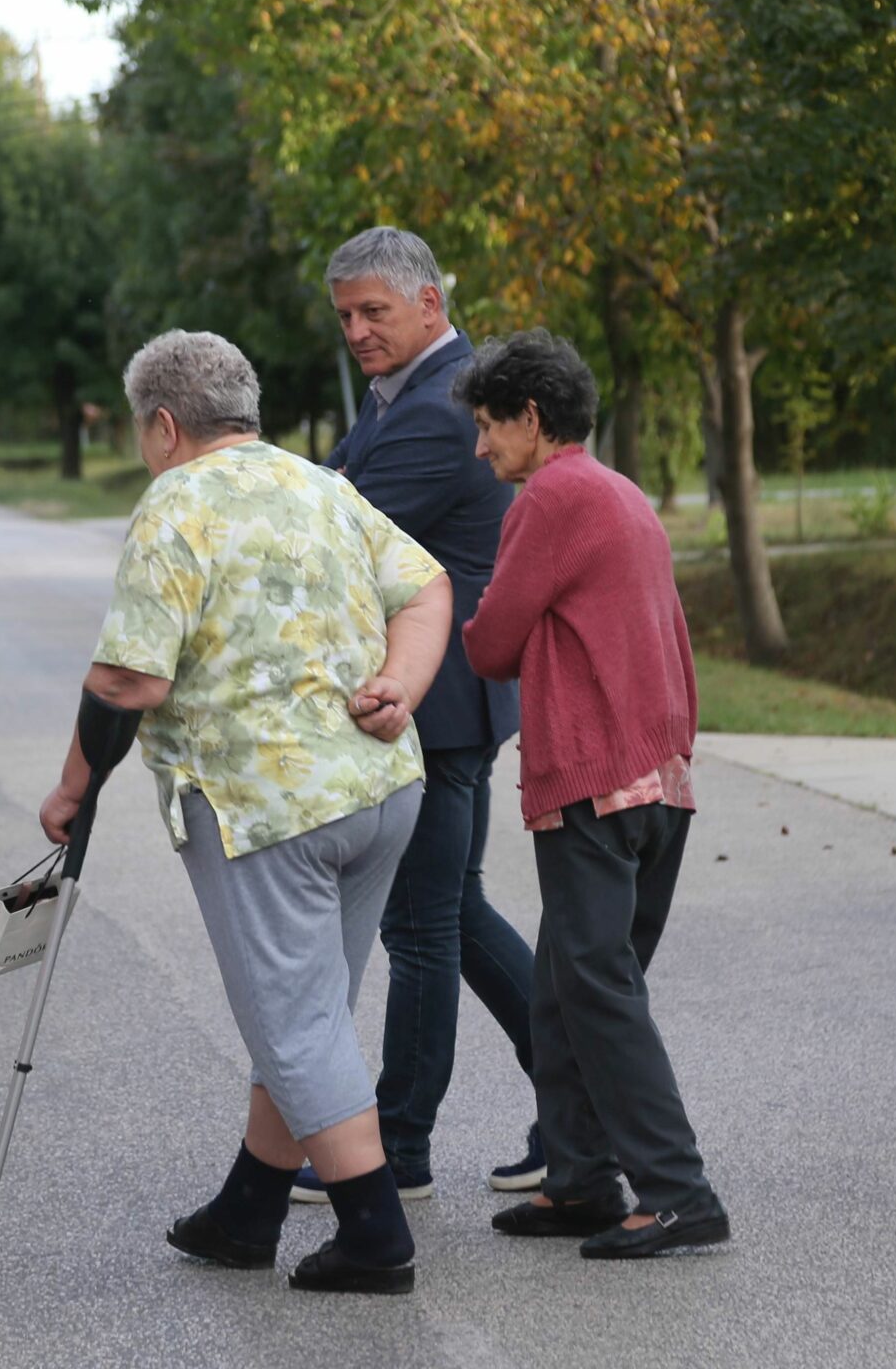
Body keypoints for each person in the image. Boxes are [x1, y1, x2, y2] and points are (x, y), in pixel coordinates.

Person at [38, 329, 454, 1295]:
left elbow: (127, 680)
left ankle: (375, 1234)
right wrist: (400, 681)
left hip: (266, 812)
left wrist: (72, 791)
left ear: (166, 425)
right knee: (307, 1010)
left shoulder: (172, 504)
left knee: (297, 1023)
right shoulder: (321, 484)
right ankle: (250, 1208)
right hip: (382, 788)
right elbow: (429, 586)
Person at [457, 329, 729, 1260]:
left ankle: (680, 1193)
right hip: (658, 783)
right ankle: (578, 1182)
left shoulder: (554, 496)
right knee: (564, 987)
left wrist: (446, 617)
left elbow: (493, 643)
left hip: (594, 785)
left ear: (533, 419)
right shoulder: (621, 493)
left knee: (598, 989)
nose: (482, 446)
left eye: (490, 426)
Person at [293, 225, 544, 1207]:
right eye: (346, 316)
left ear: (430, 305)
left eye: (374, 313)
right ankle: (579, 1103)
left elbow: (333, 535)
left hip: (439, 703)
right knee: (451, 913)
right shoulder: (398, 392)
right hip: (436, 700)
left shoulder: (444, 409)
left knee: (424, 925)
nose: (357, 331)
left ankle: (398, 1149)